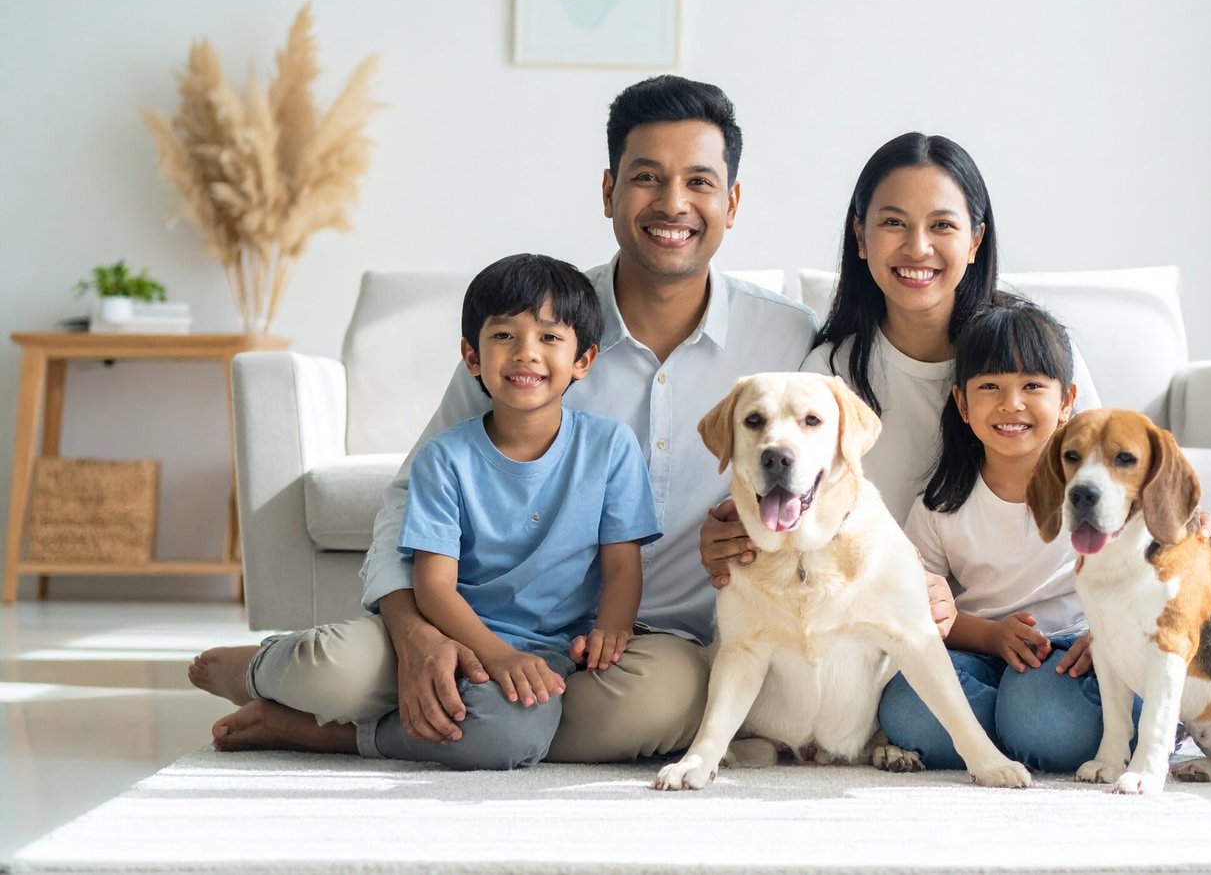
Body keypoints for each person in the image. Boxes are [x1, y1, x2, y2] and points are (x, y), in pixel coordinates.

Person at [190, 75, 819, 763]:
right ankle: (279, 669)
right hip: (476, 620)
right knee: (339, 671)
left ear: (731, 202)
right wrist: (413, 631)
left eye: (699, 182)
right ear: (609, 191)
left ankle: (342, 731)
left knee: (660, 707)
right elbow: (411, 500)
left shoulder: (788, 343)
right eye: (647, 177)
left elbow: (836, 481)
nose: (674, 204)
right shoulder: (533, 333)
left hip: (648, 653)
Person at [190, 254, 664, 769]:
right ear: (472, 356)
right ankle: (254, 669)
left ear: (584, 360)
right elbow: (434, 586)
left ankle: (321, 733)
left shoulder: (611, 447)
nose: (526, 354)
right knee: (323, 666)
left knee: (509, 737)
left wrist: (609, 636)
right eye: (504, 336)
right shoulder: (446, 456)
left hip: (546, 652)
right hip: (442, 630)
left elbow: (622, 565)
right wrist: (492, 652)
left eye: (549, 338)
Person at [699, 132, 1101, 580]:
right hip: (888, 615)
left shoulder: (1036, 354)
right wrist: (736, 536)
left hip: (1045, 625)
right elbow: (792, 512)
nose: (918, 247)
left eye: (942, 225)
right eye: (893, 223)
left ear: (974, 241)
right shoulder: (829, 376)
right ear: (861, 236)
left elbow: (1116, 481)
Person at [874, 297, 1107, 772]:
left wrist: (1109, 636)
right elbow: (919, 608)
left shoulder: (1096, 491)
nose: (1011, 403)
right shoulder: (943, 503)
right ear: (962, 402)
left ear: (1066, 402)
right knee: (906, 710)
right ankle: (1008, 726)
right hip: (980, 651)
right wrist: (992, 636)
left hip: (1074, 654)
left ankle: (1017, 724)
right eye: (990, 386)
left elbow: (1148, 575)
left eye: (1032, 386)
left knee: (1044, 715)